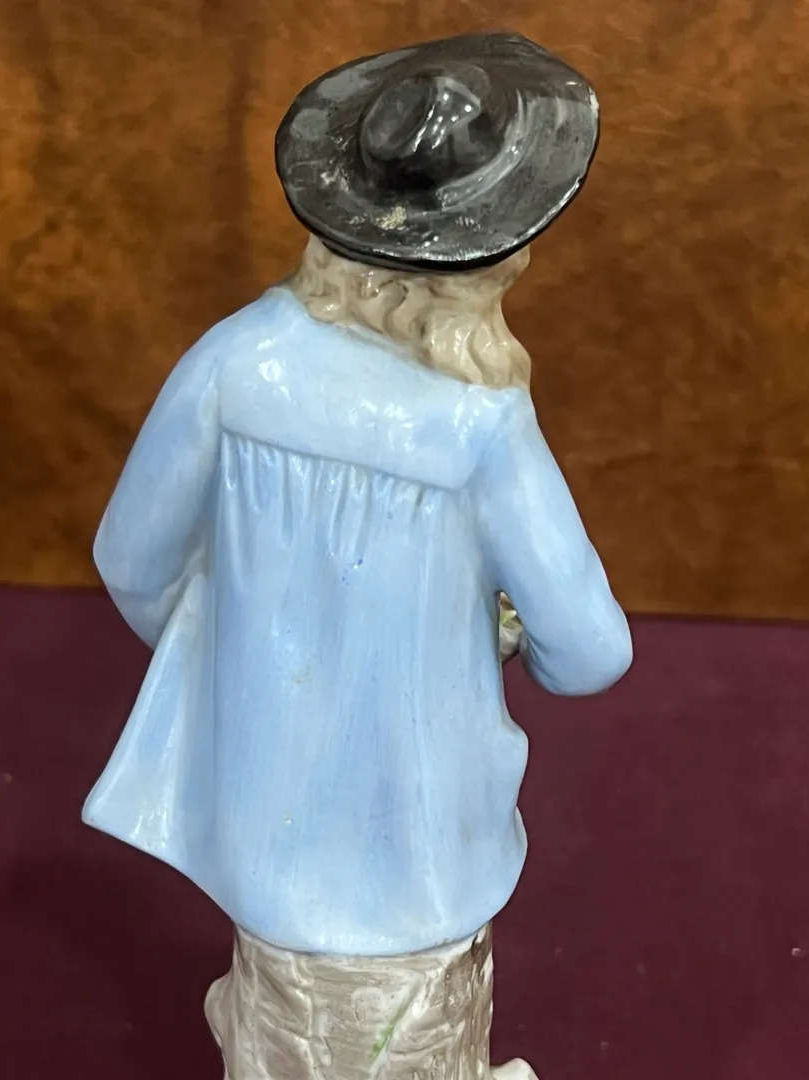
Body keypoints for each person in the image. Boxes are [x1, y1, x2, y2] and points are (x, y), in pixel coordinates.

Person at [84, 31, 632, 1080]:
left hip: (259, 841)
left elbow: (130, 560)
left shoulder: (235, 361)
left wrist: (253, 669)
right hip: (421, 866)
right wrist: (502, 632)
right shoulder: (480, 425)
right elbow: (590, 651)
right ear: (491, 253)